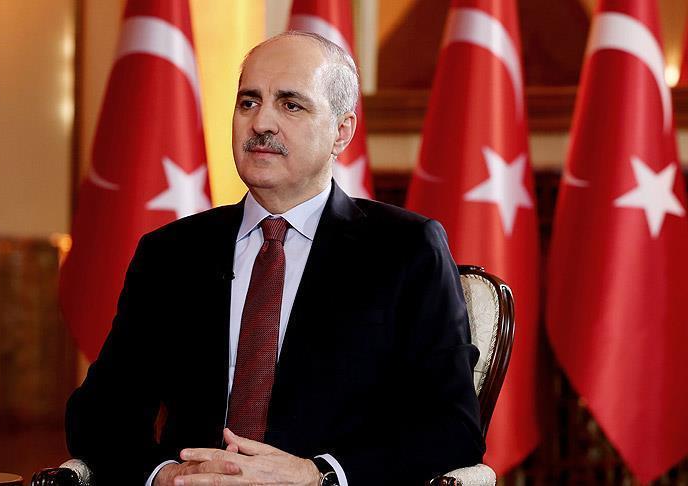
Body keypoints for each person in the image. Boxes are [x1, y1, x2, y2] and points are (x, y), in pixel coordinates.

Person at [65, 32, 484, 486]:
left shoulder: (405, 249)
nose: (261, 122)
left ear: (342, 131)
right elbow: (99, 414)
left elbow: (453, 426)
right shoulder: (172, 252)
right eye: (248, 102)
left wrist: (316, 474)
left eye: (291, 105)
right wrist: (166, 475)